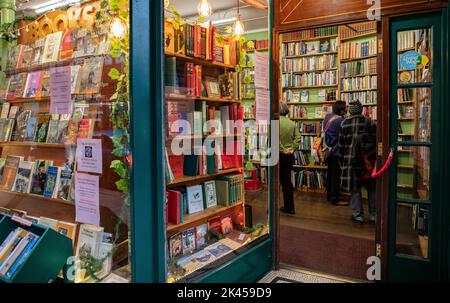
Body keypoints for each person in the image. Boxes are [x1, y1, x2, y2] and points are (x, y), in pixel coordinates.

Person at [338, 100, 376, 223]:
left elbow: (341, 145)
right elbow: (376, 141)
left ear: (350, 110)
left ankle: (358, 214)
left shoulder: (344, 123)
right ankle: (373, 215)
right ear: (361, 109)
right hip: (367, 160)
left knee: (355, 189)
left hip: (350, 161)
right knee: (371, 188)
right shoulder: (369, 122)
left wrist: (341, 161)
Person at [322, 100, 347, 206]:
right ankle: (335, 198)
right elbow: (344, 136)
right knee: (336, 175)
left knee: (330, 174)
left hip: (328, 150)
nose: (346, 110)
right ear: (342, 110)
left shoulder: (327, 117)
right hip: (336, 151)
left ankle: (329, 195)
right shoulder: (341, 121)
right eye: (345, 108)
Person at [279, 102, 301, 214]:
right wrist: (292, 148)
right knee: (287, 182)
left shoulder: (274, 123)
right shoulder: (292, 124)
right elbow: (298, 138)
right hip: (288, 156)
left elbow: (271, 141)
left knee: (274, 183)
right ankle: (289, 207)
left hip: (277, 155)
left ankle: (273, 207)